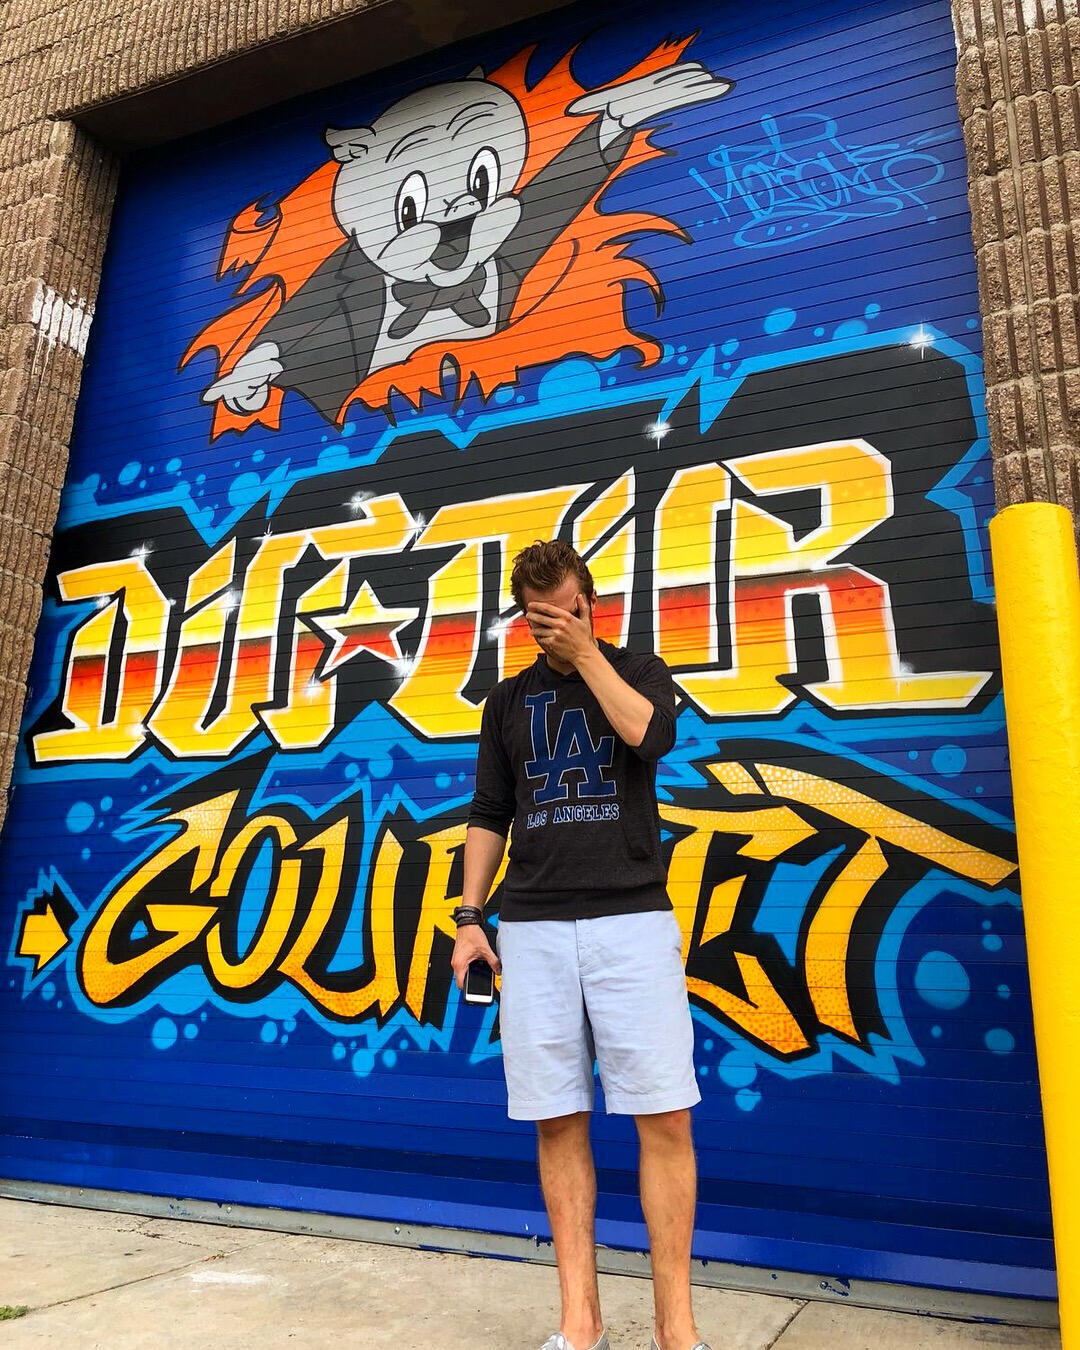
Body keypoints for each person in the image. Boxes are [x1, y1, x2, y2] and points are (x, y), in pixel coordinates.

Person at [451, 539, 710, 1350]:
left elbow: (650, 737)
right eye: (540, 620)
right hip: (531, 927)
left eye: (566, 612)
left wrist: (587, 655)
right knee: (556, 1121)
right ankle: (580, 1324)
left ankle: (676, 1330)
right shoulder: (507, 701)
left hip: (631, 921)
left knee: (665, 1117)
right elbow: (489, 812)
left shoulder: (637, 669)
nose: (554, 629)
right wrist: (469, 917)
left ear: (589, 604)